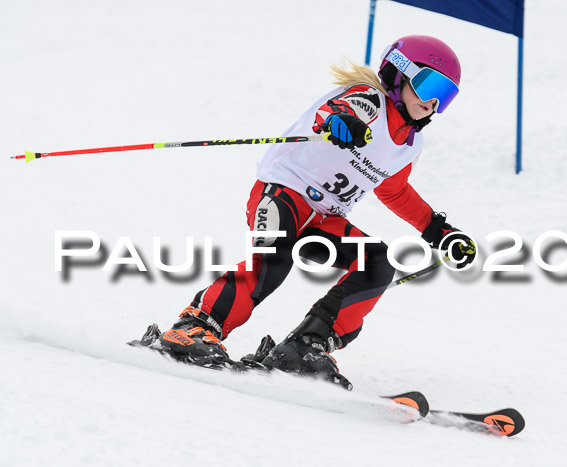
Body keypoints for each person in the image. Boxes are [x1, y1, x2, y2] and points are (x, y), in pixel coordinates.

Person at [149, 35, 477, 386]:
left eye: (446, 97)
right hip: (283, 193)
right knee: (274, 257)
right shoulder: (368, 100)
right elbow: (336, 111)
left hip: (325, 219)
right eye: (431, 86)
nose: (433, 103)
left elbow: (394, 190)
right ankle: (193, 329)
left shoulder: (410, 144)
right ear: (399, 73)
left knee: (376, 262)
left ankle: (305, 347)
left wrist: (436, 230)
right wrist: (340, 122)